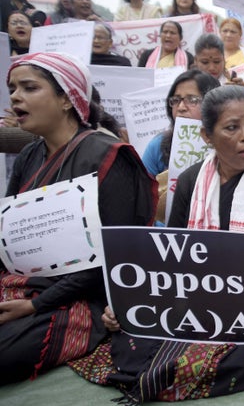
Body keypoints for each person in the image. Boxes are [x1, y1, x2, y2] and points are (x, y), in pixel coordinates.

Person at [73, 85, 244, 402]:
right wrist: (127, 303)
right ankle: (157, 375)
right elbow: (172, 254)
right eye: (232, 127)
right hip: (193, 298)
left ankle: (162, 377)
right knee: (130, 341)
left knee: (237, 362)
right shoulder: (191, 181)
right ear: (207, 136)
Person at [0, 52, 156, 385]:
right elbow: (8, 236)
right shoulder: (30, 155)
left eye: (29, 87)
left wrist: (37, 305)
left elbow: (117, 257)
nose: (15, 96)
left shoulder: (109, 157)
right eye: (13, 88)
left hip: (85, 296)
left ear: (67, 98)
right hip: (25, 285)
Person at [142, 69, 221, 178]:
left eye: (192, 100)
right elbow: (142, 189)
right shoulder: (157, 146)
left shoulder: (227, 144)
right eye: (176, 100)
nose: (181, 107)